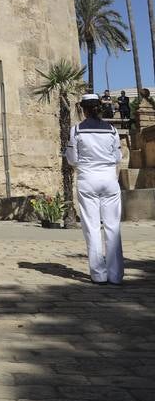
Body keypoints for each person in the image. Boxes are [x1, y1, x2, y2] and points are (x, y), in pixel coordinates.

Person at [66, 93, 124, 285]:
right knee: (112, 226)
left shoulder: (76, 130)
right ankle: (115, 275)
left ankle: (98, 274)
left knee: (91, 226)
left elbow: (72, 159)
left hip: (88, 179)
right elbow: (117, 158)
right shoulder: (112, 130)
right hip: (109, 179)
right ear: (99, 107)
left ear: (83, 109)